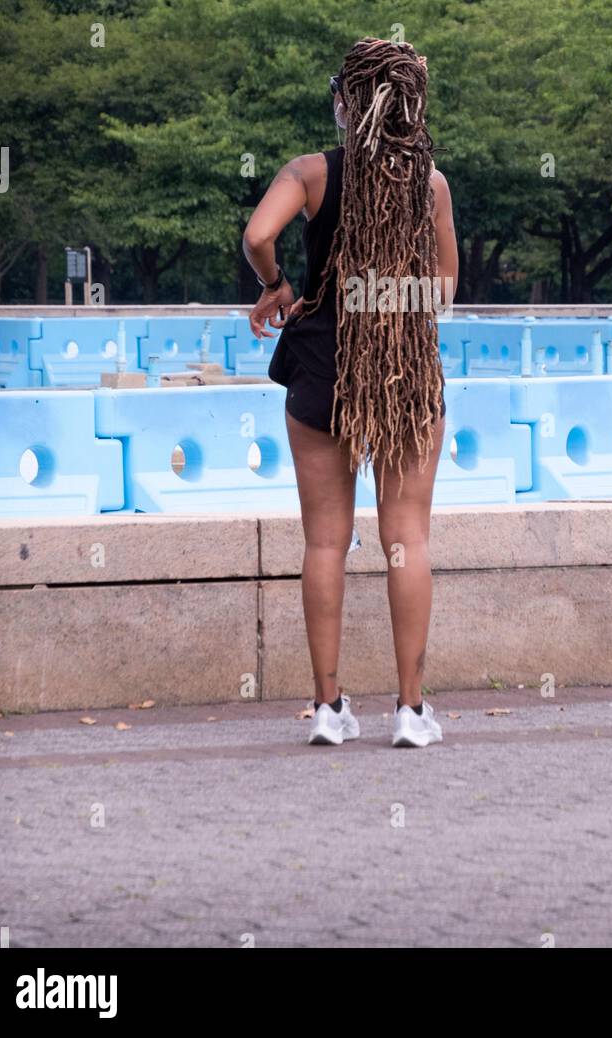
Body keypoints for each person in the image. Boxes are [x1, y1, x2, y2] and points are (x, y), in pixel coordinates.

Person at [243, 38, 458, 748]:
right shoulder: (431, 186)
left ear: (346, 103)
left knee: (326, 543)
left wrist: (277, 287)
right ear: (410, 106)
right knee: (407, 540)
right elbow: (447, 290)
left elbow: (256, 234)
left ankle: (330, 710)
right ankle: (411, 710)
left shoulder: (309, 173)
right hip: (407, 374)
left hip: (321, 365)